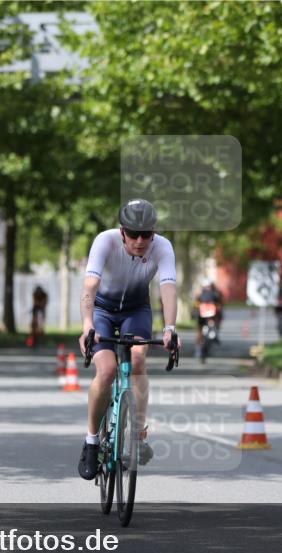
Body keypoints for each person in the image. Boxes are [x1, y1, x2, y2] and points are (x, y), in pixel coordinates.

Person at [76, 199, 181, 480]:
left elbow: (168, 288)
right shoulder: (104, 241)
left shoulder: (163, 247)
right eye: (133, 234)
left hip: (136, 309)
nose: (139, 240)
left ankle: (139, 434)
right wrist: (87, 324)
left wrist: (170, 327)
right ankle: (91, 441)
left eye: (146, 234)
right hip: (102, 310)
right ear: (122, 231)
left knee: (137, 359)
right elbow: (90, 285)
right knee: (107, 370)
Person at [194, 279, 223, 356]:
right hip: (202, 317)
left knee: (214, 325)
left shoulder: (216, 294)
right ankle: (198, 349)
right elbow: (195, 306)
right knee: (199, 331)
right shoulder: (199, 294)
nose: (207, 288)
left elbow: (219, 305)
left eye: (209, 287)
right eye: (206, 287)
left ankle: (215, 336)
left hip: (211, 317)